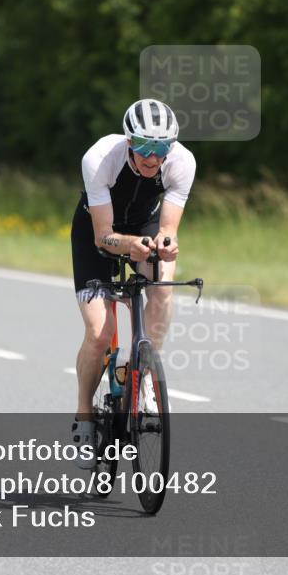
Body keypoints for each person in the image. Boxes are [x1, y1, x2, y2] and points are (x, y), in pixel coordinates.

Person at [69, 98, 196, 468]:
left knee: (162, 286)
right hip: (99, 233)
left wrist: (165, 246)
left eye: (161, 148)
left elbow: (169, 228)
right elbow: (103, 235)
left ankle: (144, 378)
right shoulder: (99, 158)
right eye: (144, 146)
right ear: (129, 141)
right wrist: (129, 247)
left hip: (145, 225)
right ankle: (84, 419)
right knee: (99, 331)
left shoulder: (183, 162)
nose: (153, 157)